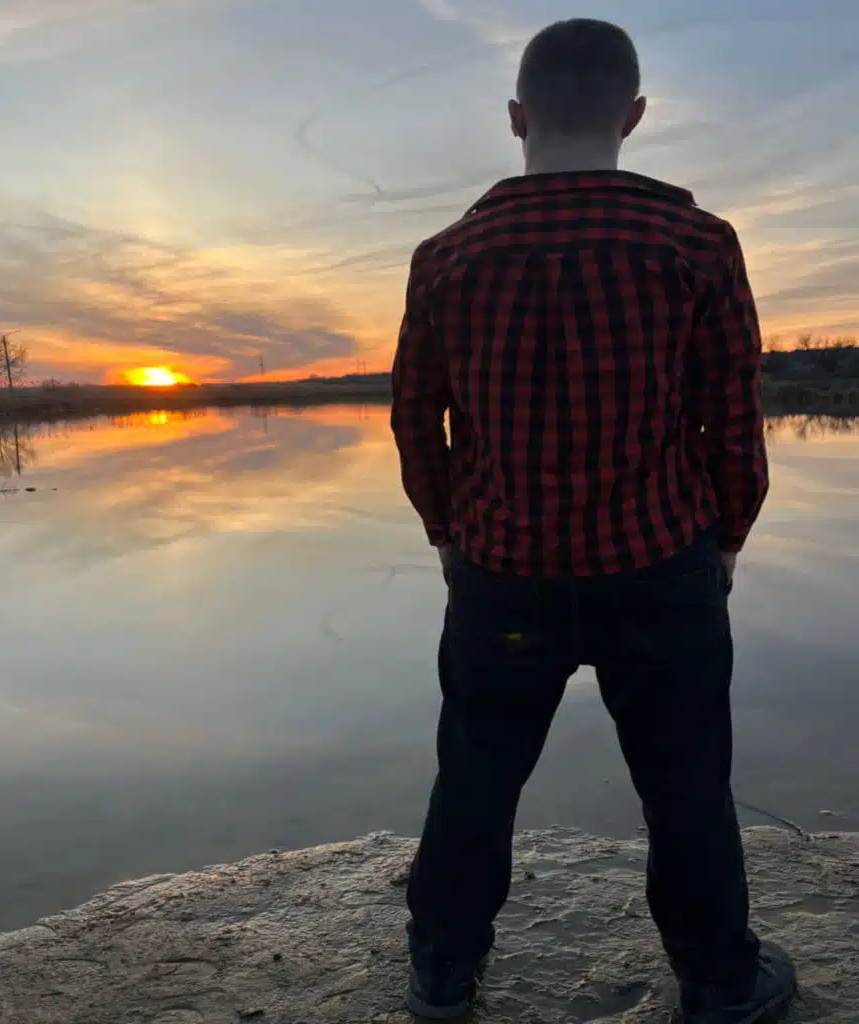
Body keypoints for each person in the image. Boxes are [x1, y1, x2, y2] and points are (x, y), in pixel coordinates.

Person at [390, 18, 797, 1024]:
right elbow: (731, 414)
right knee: (685, 783)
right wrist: (727, 537)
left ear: (516, 117)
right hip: (659, 567)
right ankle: (718, 982)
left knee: (475, 774)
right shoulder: (696, 244)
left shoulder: (445, 256)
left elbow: (414, 416)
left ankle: (442, 971)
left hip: (499, 574)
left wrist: (446, 533)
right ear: (635, 114)